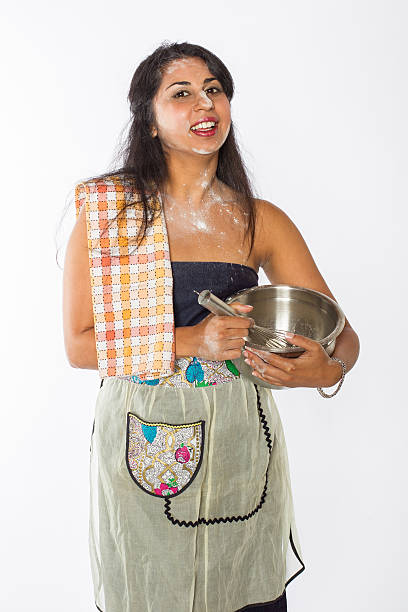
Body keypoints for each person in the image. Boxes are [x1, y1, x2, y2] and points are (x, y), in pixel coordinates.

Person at [62, 41, 360, 612]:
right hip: (144, 436)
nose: (205, 104)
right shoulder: (109, 213)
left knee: (244, 590)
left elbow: (342, 332)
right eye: (182, 93)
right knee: (152, 590)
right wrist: (189, 340)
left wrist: (327, 369)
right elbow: (78, 346)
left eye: (215, 90)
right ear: (148, 119)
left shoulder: (259, 219)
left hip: (239, 441)